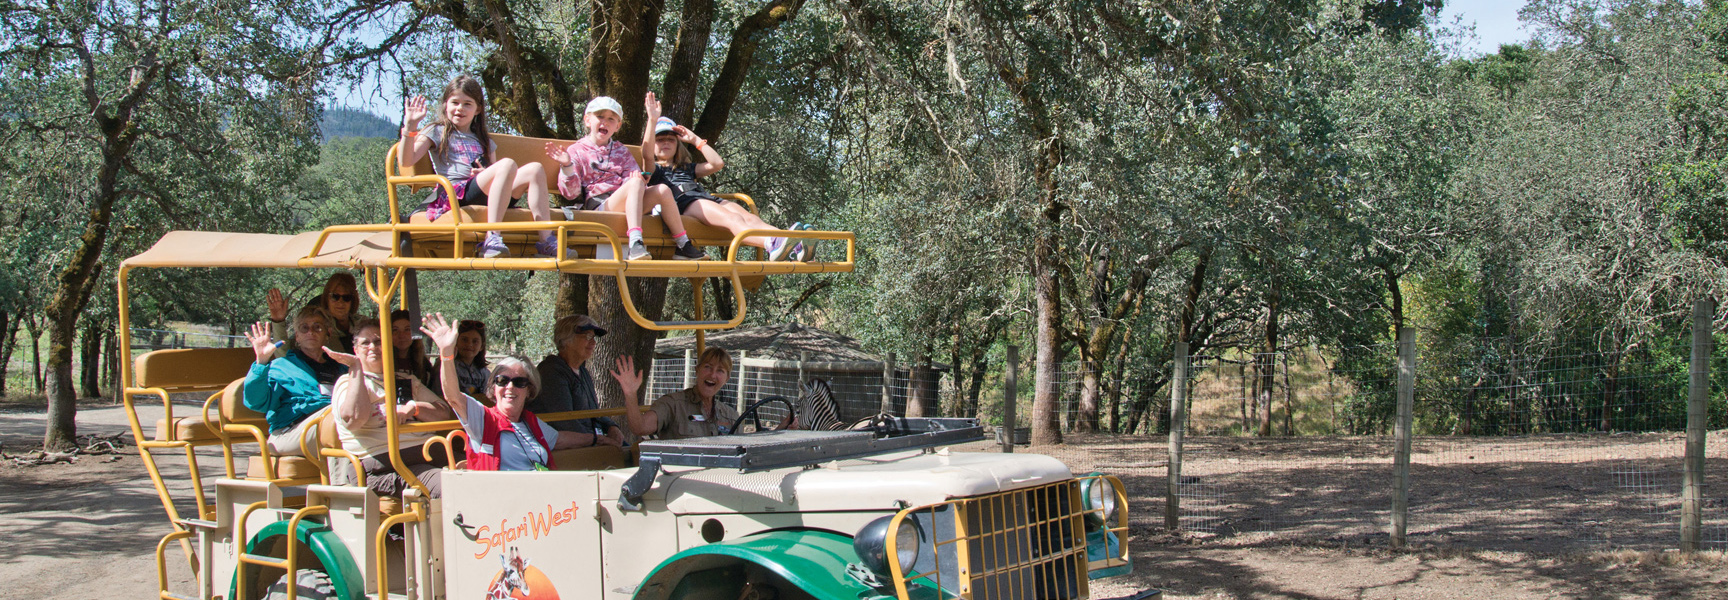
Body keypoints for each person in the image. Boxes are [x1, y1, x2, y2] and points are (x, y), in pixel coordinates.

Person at [399, 75, 561, 259]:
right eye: (455, 102)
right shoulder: (437, 131)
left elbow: (496, 173)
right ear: (445, 105)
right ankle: (492, 237)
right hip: (456, 194)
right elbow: (406, 161)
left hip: (484, 192)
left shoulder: (484, 140)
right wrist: (410, 127)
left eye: (467, 103)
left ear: (478, 109)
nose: (460, 108)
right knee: (507, 164)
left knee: (535, 169)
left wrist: (485, 173)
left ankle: (546, 241)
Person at [424, 314, 599, 471]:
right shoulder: (483, 419)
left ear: (529, 389)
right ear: (493, 386)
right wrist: (446, 354)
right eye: (502, 381)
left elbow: (559, 439)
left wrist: (598, 440)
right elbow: (453, 397)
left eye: (519, 382)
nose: (510, 387)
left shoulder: (531, 422)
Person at [641, 93, 804, 261]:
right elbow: (646, 155)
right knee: (732, 218)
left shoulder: (687, 168)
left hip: (704, 198)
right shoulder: (655, 171)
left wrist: (696, 140)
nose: (666, 143)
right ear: (653, 144)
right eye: (660, 140)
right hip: (686, 202)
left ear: (678, 144)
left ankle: (795, 245)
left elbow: (717, 163)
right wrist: (652, 120)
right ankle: (772, 245)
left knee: (749, 217)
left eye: (671, 139)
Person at [545, 96, 703, 261]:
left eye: (611, 119)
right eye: (600, 117)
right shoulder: (576, 150)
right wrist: (567, 166)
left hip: (628, 201)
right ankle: (635, 243)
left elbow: (634, 178)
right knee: (634, 183)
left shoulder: (621, 150)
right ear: (587, 120)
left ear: (617, 126)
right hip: (600, 206)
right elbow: (570, 194)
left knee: (662, 189)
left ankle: (683, 244)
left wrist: (640, 180)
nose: (605, 122)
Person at [326, 318, 456, 497]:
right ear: (355, 349)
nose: (372, 347)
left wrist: (414, 408)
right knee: (454, 486)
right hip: (384, 464)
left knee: (483, 474)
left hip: (428, 452)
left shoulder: (406, 380)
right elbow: (354, 419)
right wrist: (356, 368)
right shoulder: (348, 382)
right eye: (365, 343)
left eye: (378, 341)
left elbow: (443, 414)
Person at [243, 305, 348, 457]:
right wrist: (261, 362)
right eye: (304, 328)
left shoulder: (342, 369)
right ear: (297, 336)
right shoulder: (281, 366)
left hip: (329, 427)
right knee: (335, 416)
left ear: (328, 333)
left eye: (317, 327)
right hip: (289, 433)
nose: (310, 332)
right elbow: (256, 401)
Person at [528, 315, 626, 446]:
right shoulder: (551, 372)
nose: (593, 343)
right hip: (566, 449)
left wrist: (612, 427)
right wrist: (597, 441)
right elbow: (565, 421)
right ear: (566, 340)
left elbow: (594, 412)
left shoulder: (583, 372)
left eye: (593, 338)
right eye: (587, 337)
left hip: (588, 443)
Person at [613, 347, 738, 440]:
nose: (713, 375)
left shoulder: (731, 416)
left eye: (720, 371)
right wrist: (630, 394)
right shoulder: (672, 405)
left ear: (726, 378)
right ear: (697, 370)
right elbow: (640, 427)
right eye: (707, 367)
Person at [267, 273, 361, 354]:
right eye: (335, 296)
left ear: (353, 300)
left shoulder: (362, 325)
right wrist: (278, 321)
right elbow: (285, 356)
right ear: (326, 299)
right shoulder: (317, 327)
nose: (340, 302)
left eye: (346, 297)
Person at [436, 319, 492, 404]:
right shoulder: (445, 366)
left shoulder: (485, 373)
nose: (469, 344)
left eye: (475, 341)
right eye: (464, 340)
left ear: (481, 346)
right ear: (455, 341)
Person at [389, 309, 437, 394]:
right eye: (395, 330)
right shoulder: (382, 362)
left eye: (407, 329)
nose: (401, 335)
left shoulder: (424, 364)